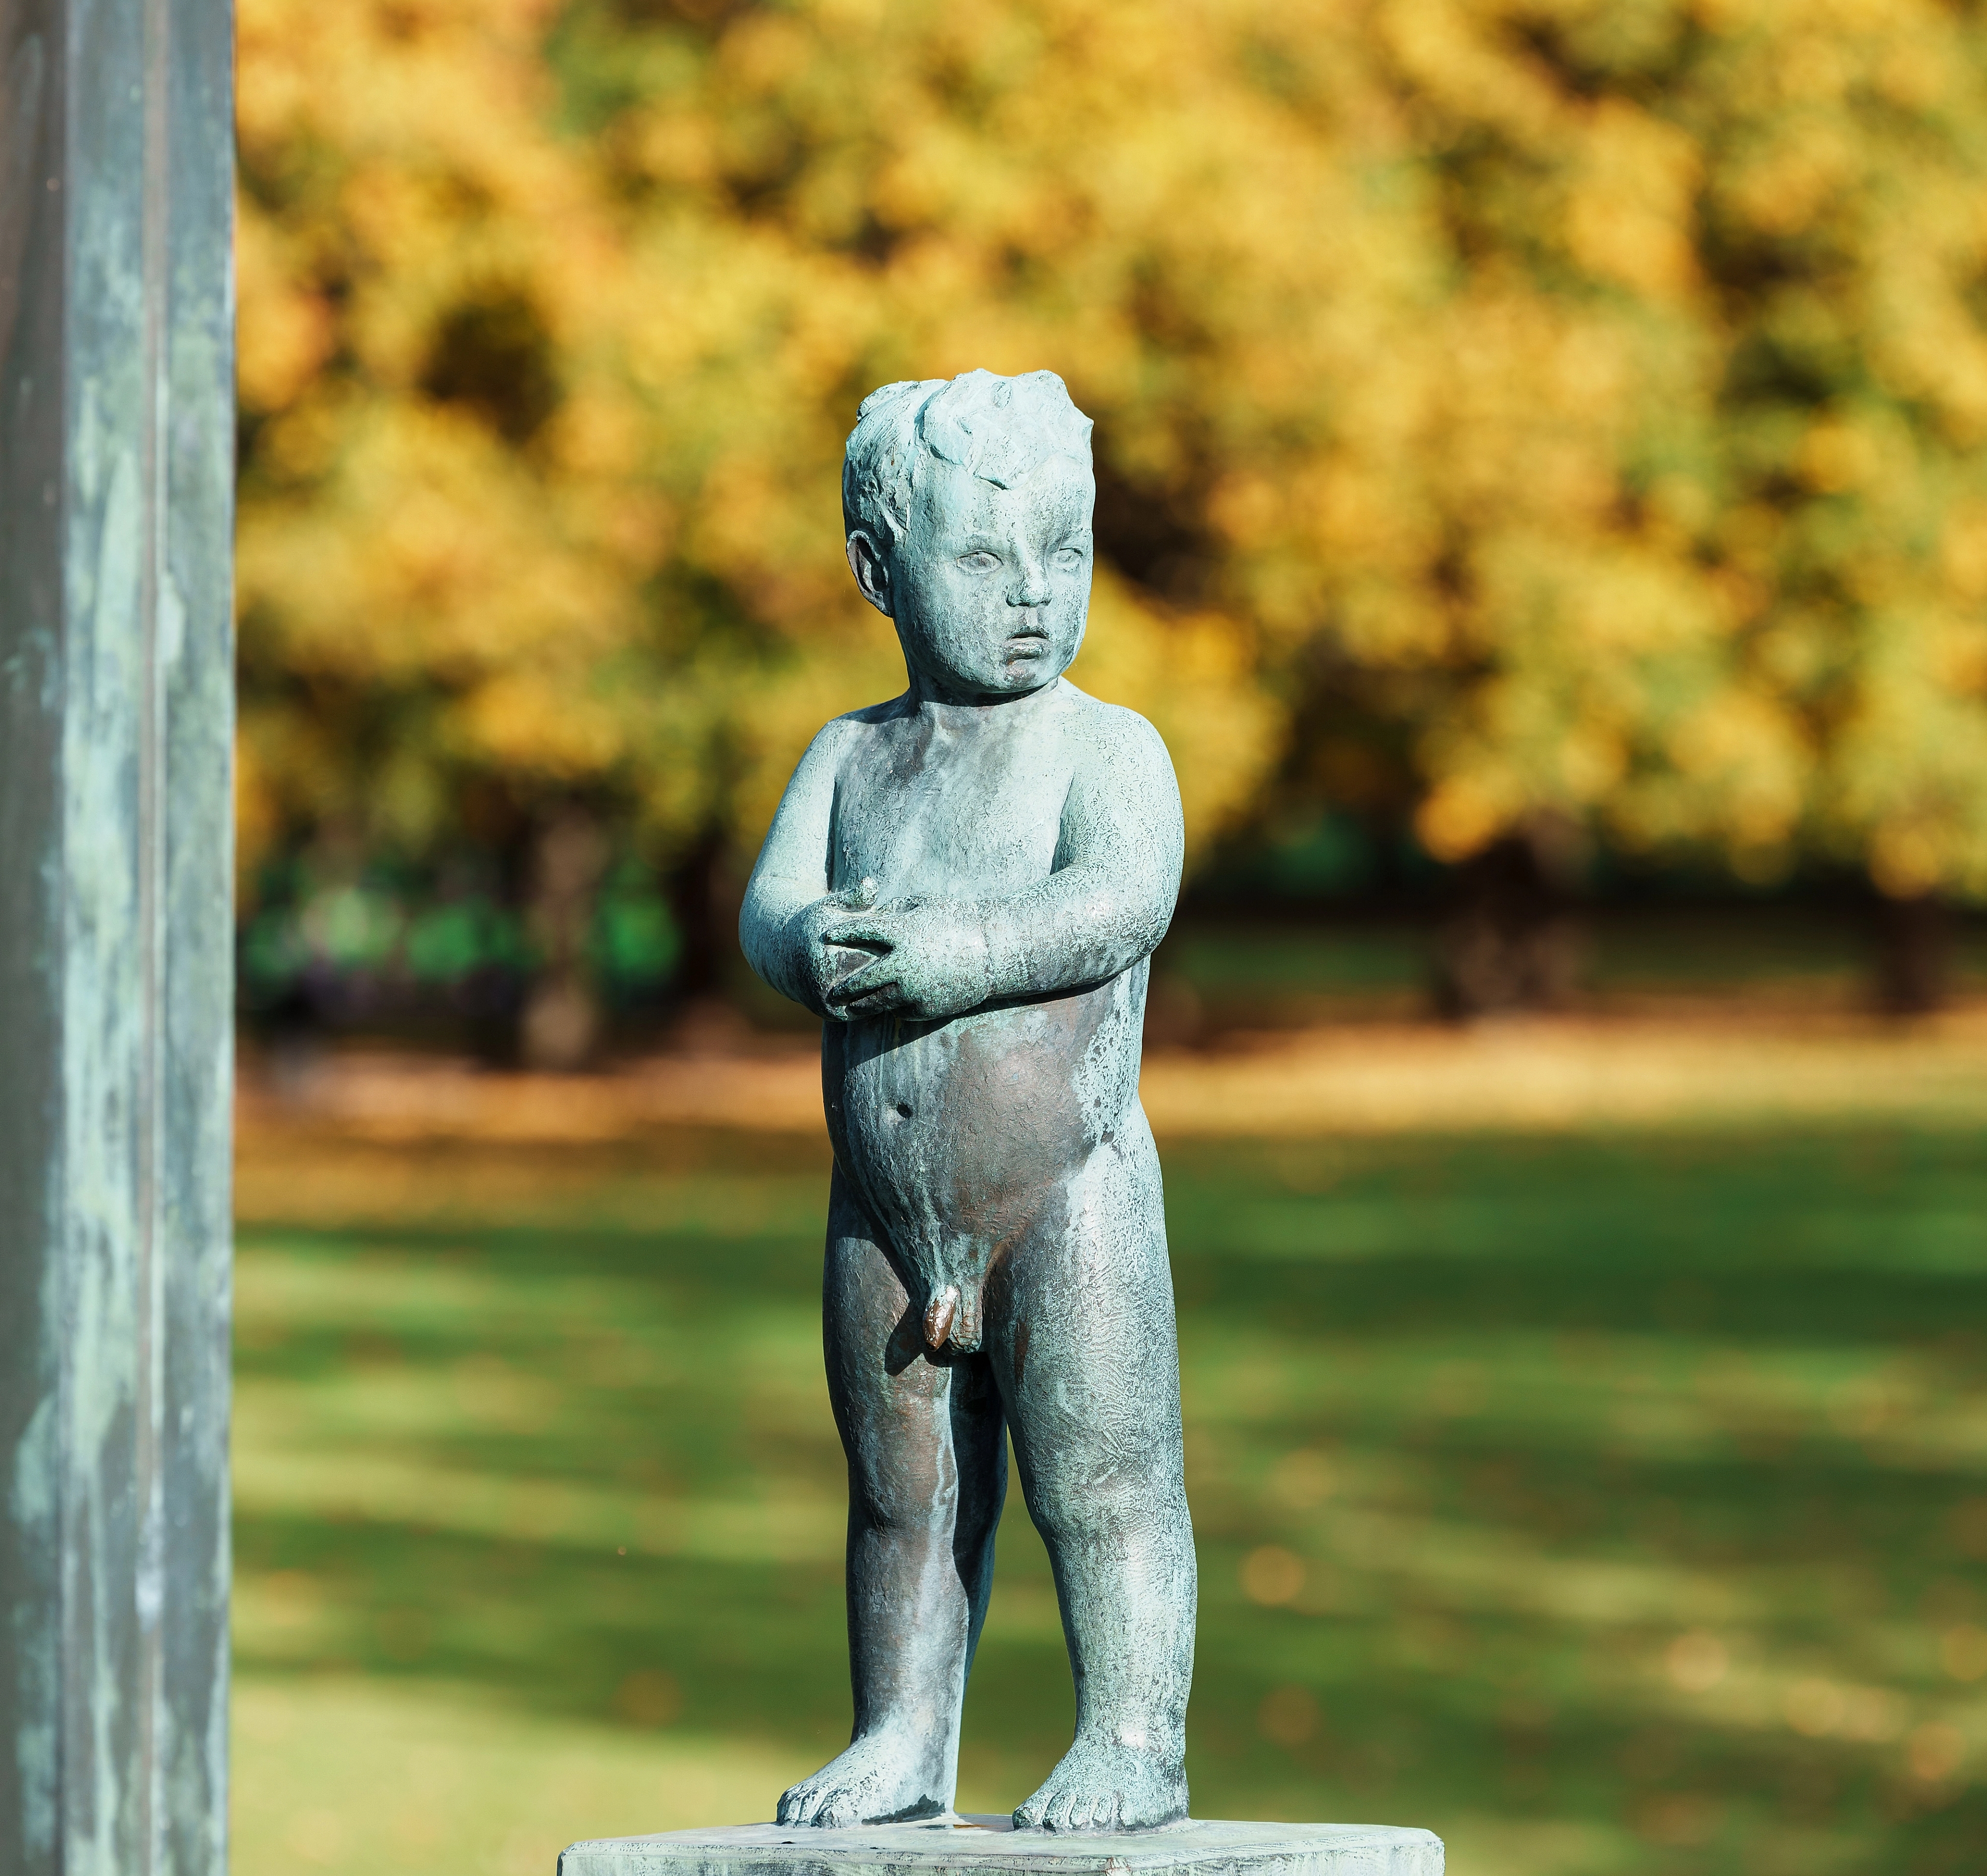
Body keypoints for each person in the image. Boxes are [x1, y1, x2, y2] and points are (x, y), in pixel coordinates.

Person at [740, 369, 1195, 1833]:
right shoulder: (851, 756)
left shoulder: (1103, 749)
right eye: (985, 558)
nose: (1034, 595)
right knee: (902, 1490)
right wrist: (806, 943)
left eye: (1064, 552)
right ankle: (901, 1734)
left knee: (1103, 1479)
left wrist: (956, 954)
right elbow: (768, 909)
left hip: (1066, 1194)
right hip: (881, 1208)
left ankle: (1133, 1734)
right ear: (881, 569)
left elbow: (1124, 899)